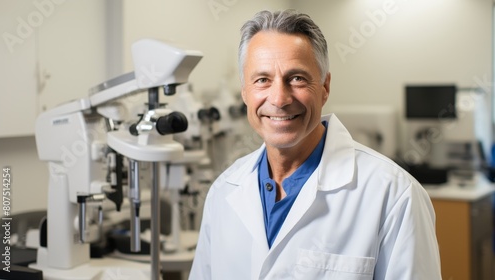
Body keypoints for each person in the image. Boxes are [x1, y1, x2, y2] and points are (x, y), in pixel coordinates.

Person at [189, 9, 441, 280]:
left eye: (296, 78)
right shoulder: (223, 192)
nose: (280, 98)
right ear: (244, 92)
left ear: (324, 87)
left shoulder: (395, 195)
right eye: (262, 80)